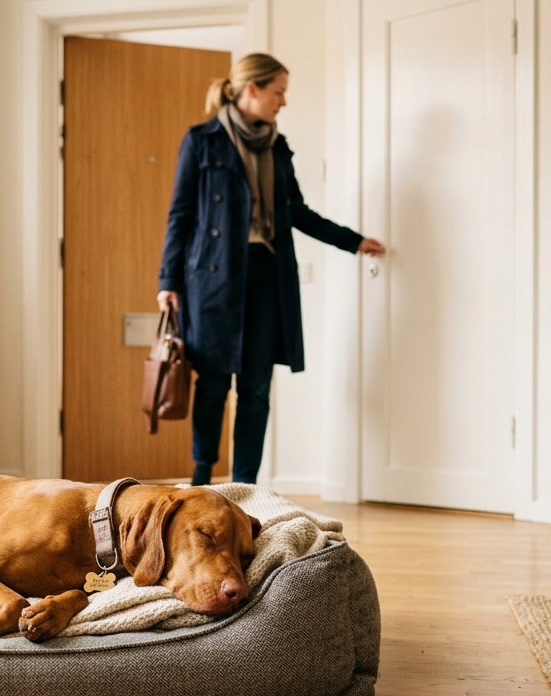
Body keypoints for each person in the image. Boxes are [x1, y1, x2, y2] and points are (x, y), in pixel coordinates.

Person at [157, 53, 386, 486]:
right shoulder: (202, 140)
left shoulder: (278, 147)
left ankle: (245, 485)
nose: (283, 102)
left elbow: (296, 211)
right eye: (278, 92)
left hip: (266, 277)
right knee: (212, 385)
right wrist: (168, 280)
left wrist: (352, 241)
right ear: (252, 89)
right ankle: (202, 479)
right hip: (212, 279)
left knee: (256, 390)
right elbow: (180, 214)